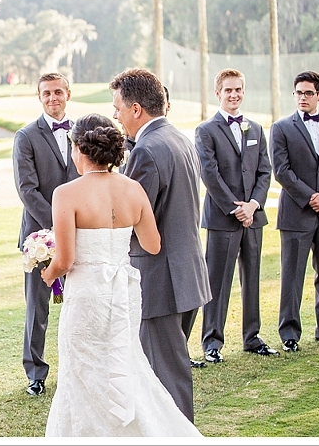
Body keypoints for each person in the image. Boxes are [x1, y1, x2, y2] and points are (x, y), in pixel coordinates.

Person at [41, 114, 201, 437]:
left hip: (87, 295)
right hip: (124, 292)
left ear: (79, 148)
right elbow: (153, 245)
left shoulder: (66, 194)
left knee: (82, 371)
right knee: (127, 365)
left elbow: (66, 259)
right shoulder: (134, 189)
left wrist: (48, 274)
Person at [111, 68, 211, 422]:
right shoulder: (178, 138)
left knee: (165, 377)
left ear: (136, 109)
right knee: (169, 369)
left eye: (118, 108)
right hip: (187, 274)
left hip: (159, 279)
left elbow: (136, 219)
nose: (116, 116)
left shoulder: (146, 151)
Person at [195, 68, 277, 365]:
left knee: (252, 278)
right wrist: (236, 207)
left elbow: (265, 171)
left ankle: (252, 337)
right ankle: (212, 342)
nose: (234, 95)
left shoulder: (255, 129)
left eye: (238, 89)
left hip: (253, 218)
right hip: (223, 218)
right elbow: (210, 174)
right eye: (228, 90)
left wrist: (253, 205)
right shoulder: (206, 130)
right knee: (217, 282)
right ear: (218, 93)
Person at [12, 72, 80, 396]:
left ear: (68, 93)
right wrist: (56, 227)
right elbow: (27, 189)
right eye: (46, 93)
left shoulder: (82, 132)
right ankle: (36, 374)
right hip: (39, 237)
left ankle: (76, 368)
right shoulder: (26, 136)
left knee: (78, 303)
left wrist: (75, 225)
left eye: (58, 92)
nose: (53, 98)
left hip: (80, 232)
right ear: (39, 97)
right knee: (38, 308)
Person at [269, 70, 319, 352]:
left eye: (308, 93)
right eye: (298, 93)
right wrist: (311, 197)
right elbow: (282, 171)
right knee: (292, 277)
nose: (302, 97)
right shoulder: (281, 128)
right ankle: (290, 334)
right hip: (296, 214)